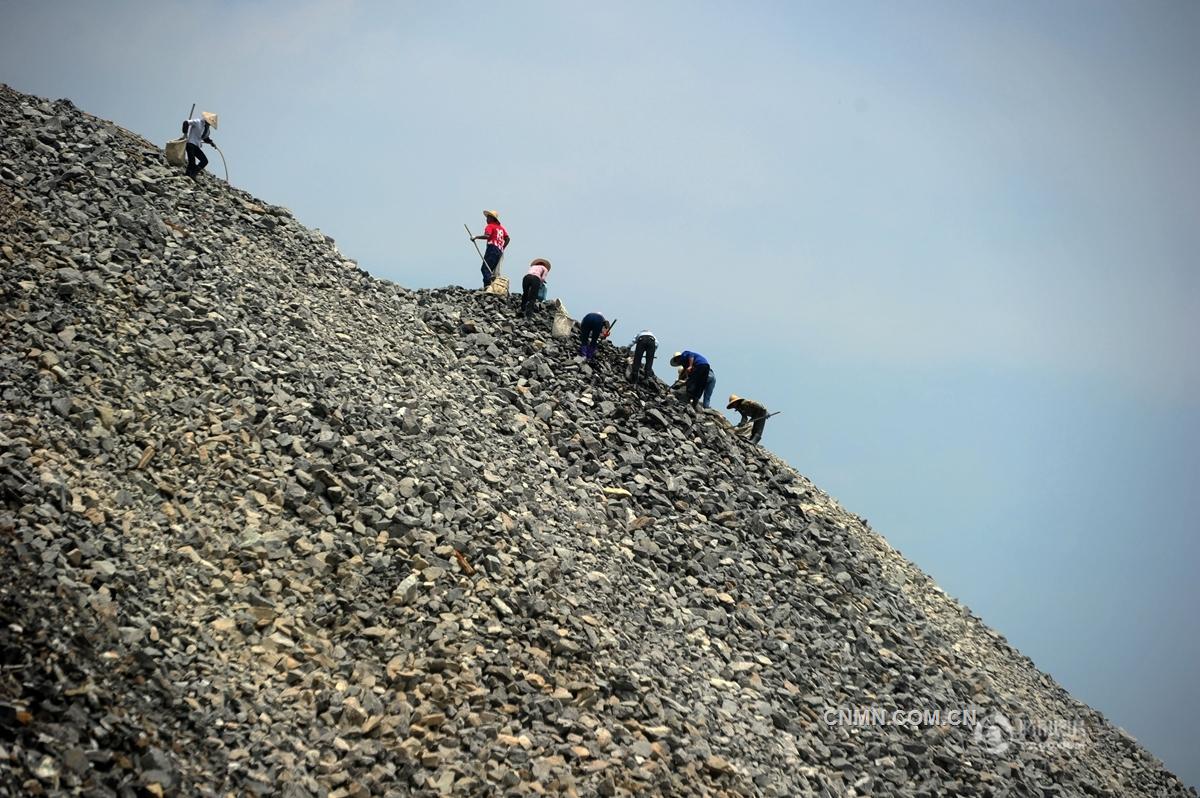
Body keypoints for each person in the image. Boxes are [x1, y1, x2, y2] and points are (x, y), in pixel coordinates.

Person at [471, 210, 510, 288]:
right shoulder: (501, 228)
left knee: (485, 269)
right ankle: (493, 286)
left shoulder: (490, 226)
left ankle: (488, 287)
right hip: (499, 251)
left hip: (492, 249)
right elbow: (507, 238)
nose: (486, 220)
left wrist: (476, 237)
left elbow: (487, 236)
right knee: (492, 270)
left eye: (488, 218)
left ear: (492, 218)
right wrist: (502, 247)